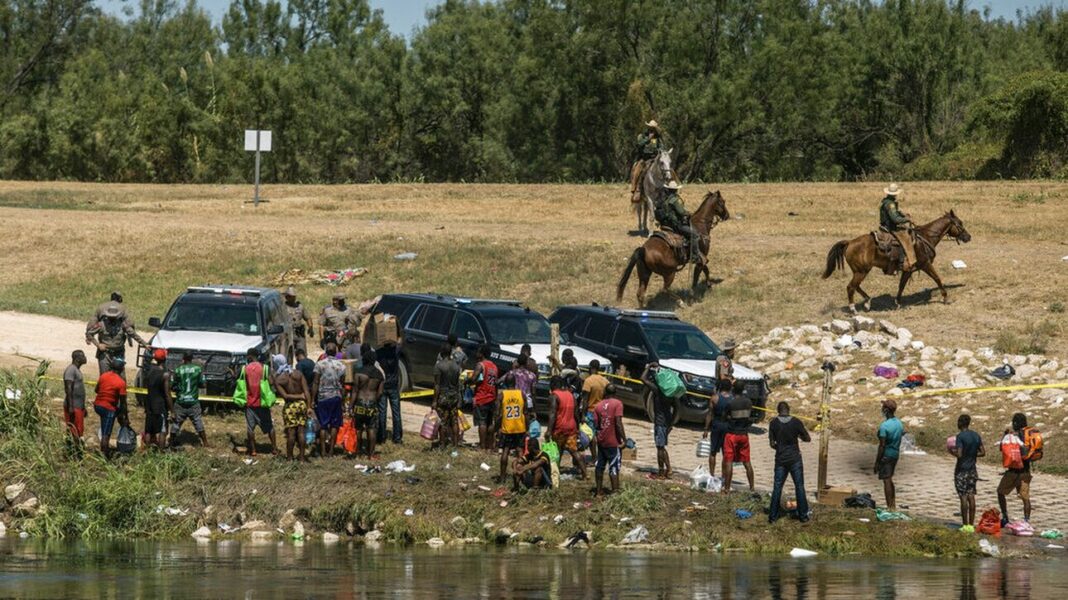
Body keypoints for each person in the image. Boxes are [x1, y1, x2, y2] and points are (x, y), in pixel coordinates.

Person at [768, 402, 811, 523]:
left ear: (778, 410)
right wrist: (799, 437)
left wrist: (780, 448)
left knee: (777, 487)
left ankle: (773, 516)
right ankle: (803, 515)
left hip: (781, 458)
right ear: (789, 409)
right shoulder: (796, 422)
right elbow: (807, 438)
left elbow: (772, 444)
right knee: (799, 486)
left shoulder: (773, 423)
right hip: (795, 458)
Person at [85, 301, 148, 376]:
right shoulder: (101, 324)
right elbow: (89, 333)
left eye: (114, 317)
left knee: (121, 377)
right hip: (105, 354)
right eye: (110, 317)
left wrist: (145, 344)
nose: (112, 318)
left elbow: (133, 334)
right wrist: (98, 345)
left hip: (119, 354)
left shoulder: (123, 325)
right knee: (104, 376)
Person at [234, 349, 277, 456]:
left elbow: (236, 379)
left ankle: (253, 450)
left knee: (250, 428)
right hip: (262, 403)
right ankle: (274, 448)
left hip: (250, 404)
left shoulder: (244, 369)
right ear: (257, 356)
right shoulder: (265, 368)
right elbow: (272, 382)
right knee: (269, 427)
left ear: (249, 356)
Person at [997, 412, 1033, 526]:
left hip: (1013, 472)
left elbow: (1002, 448)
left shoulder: (1013, 435)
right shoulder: (1028, 436)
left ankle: (1005, 516)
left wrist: (1005, 435)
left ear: (1016, 423)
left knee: (1000, 492)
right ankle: (1026, 521)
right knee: (1025, 498)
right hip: (1026, 472)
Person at [311, 341, 347, 457]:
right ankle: (331, 450)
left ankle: (322, 451)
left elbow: (315, 382)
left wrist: (312, 399)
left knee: (323, 425)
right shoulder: (341, 365)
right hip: (336, 397)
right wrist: (343, 401)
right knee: (334, 425)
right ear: (336, 352)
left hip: (323, 398)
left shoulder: (319, 365)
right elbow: (342, 385)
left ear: (325, 352)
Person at [546, 376, 585, 480]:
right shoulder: (571, 395)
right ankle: (585, 474)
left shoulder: (554, 396)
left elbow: (552, 414)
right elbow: (576, 413)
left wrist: (549, 430)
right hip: (571, 428)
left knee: (557, 451)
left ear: (553, 385)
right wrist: (578, 427)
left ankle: (555, 472)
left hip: (559, 429)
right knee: (574, 451)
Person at [273, 354, 311, 461]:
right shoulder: (298, 374)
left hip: (290, 406)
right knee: (301, 432)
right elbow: (306, 391)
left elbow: (285, 396)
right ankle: (302, 457)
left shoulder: (279, 379)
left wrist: (298, 396)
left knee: (291, 433)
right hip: (302, 405)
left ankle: (290, 458)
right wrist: (308, 407)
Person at [641, 363, 675, 480]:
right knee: (662, 447)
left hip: (660, 423)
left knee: (660, 447)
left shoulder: (658, 391)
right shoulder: (670, 394)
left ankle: (662, 471)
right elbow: (676, 409)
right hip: (666, 422)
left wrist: (648, 367)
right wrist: (671, 423)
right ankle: (668, 469)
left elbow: (643, 379)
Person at [950, 413, 985, 529]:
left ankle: (965, 525)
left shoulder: (960, 437)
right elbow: (983, 452)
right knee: (971, 495)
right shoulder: (975, 435)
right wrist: (972, 454)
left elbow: (959, 454)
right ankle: (971, 524)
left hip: (961, 470)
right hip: (972, 470)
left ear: (960, 423)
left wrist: (951, 451)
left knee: (963, 497)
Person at [654, 181, 701, 265]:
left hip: (666, 224)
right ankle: (695, 256)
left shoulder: (666, 199)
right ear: (675, 190)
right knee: (695, 235)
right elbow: (681, 212)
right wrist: (689, 214)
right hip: (676, 225)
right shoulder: (675, 200)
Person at [170, 351, 208, 448]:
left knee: (176, 423)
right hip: (193, 401)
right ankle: (205, 443)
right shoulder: (198, 369)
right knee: (197, 421)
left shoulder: (178, 369)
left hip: (180, 401)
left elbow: (172, 385)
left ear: (183, 358)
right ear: (192, 358)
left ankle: (171, 442)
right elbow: (203, 385)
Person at [593, 383, 626, 496]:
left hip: (602, 440)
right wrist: (624, 440)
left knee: (600, 466)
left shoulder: (598, 406)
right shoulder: (618, 404)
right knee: (614, 467)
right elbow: (618, 423)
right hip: (613, 441)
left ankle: (598, 492)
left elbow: (596, 425)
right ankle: (615, 492)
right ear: (615, 393)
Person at [722, 382, 755, 493]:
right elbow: (750, 417)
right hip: (744, 435)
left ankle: (726, 488)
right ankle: (752, 487)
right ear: (743, 390)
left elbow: (724, 417)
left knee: (729, 462)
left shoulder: (731, 403)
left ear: (733, 389)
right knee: (747, 462)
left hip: (732, 434)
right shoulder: (749, 402)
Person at [93, 356, 128, 458]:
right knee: (106, 433)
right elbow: (123, 402)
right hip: (108, 409)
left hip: (98, 405)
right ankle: (104, 455)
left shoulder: (104, 376)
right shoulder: (121, 382)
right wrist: (124, 416)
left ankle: (104, 450)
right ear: (121, 369)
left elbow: (96, 390)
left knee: (106, 423)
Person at [352, 350, 384, 460]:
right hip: (372, 404)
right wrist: (374, 401)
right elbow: (380, 393)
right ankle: (371, 454)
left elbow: (355, 391)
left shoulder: (358, 372)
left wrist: (351, 405)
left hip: (360, 403)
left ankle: (358, 452)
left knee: (358, 429)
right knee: (372, 429)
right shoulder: (379, 375)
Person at [874, 399, 904, 511]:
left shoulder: (884, 426)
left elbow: (882, 446)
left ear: (886, 410)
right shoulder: (899, 423)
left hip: (886, 455)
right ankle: (893, 504)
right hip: (895, 454)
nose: (881, 410)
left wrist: (877, 462)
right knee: (890, 479)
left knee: (886, 480)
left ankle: (889, 507)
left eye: (883, 408)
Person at [495, 380, 528, 483]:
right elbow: (526, 412)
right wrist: (527, 428)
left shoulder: (502, 395)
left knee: (505, 451)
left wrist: (497, 428)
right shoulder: (521, 394)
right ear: (515, 383)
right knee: (519, 451)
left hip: (507, 428)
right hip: (520, 427)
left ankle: (502, 477)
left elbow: (498, 414)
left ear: (506, 384)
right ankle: (522, 475)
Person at [879, 183, 916, 273]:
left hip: (886, 225)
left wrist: (902, 214)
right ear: (895, 194)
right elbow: (895, 219)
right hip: (890, 227)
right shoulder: (890, 204)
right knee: (906, 238)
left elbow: (894, 213)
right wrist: (906, 219)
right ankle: (906, 262)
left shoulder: (886, 201)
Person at [470, 345, 499, 451]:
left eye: (478, 351)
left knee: (482, 422)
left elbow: (473, 379)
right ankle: (489, 445)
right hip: (492, 397)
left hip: (482, 397)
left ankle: (482, 446)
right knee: (490, 422)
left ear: (481, 353)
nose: (476, 353)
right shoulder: (494, 366)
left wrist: (466, 380)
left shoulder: (481, 365)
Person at [433, 343, 462, 448]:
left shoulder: (439, 366)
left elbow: (437, 385)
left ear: (441, 352)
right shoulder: (456, 366)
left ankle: (442, 444)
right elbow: (458, 384)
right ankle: (455, 446)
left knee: (442, 421)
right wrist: (459, 399)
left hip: (443, 397)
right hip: (454, 396)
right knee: (454, 421)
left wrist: (434, 401)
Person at [142, 348, 172, 451]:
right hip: (160, 406)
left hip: (149, 404)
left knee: (149, 430)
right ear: (165, 359)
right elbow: (167, 394)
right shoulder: (165, 374)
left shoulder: (149, 371)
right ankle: (161, 453)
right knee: (162, 431)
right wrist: (172, 410)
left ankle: (147, 451)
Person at [581, 360, 610, 463]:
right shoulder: (605, 381)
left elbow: (585, 400)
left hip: (591, 411)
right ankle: (602, 457)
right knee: (601, 435)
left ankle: (594, 458)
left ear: (590, 368)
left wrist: (583, 415)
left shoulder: (588, 381)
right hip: (602, 411)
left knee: (591, 436)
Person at [629, 120, 664, 204]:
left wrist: (660, 150)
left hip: (655, 158)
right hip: (644, 159)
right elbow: (639, 145)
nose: (652, 130)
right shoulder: (642, 136)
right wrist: (648, 139)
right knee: (637, 170)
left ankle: (669, 187)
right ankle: (636, 189)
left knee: (666, 168)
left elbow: (661, 147)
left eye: (653, 128)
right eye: (650, 128)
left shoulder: (658, 138)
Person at [375, 339, 403, 445]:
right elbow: (401, 341)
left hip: (383, 385)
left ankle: (381, 437)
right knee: (396, 413)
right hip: (394, 386)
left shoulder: (379, 353)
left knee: (382, 412)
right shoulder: (395, 351)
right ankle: (397, 437)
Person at [701, 382, 731, 478]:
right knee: (725, 453)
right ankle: (723, 476)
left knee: (713, 452)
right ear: (730, 388)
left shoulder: (714, 398)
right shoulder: (732, 399)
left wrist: (706, 429)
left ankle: (712, 474)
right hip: (727, 426)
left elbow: (709, 414)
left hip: (716, 425)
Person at [63, 350, 88, 446]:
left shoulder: (76, 370)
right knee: (74, 430)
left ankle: (74, 449)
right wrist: (70, 406)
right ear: (77, 359)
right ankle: (75, 451)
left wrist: (83, 407)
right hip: (73, 406)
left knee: (78, 429)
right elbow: (68, 389)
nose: (85, 358)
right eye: (83, 356)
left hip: (78, 406)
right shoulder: (71, 370)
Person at [284, 287, 315, 358]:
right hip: (287, 334)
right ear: (287, 297)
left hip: (299, 334)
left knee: (302, 353)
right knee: (288, 355)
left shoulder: (300, 307)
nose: (293, 298)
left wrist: (310, 328)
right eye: (291, 297)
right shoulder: (282, 307)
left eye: (294, 297)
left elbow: (308, 318)